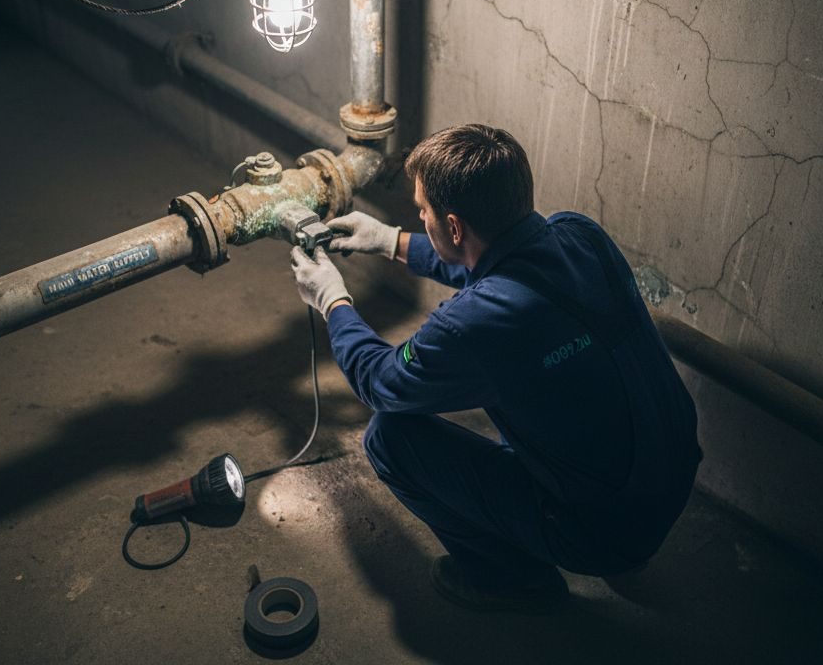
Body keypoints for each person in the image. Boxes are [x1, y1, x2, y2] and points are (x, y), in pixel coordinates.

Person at [289, 123, 701, 611]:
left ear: (456, 226)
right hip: (671, 477)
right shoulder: (581, 234)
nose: (419, 218)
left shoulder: (473, 327)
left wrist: (332, 298)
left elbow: (381, 382)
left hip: (603, 533)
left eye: (423, 212)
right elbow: (501, 261)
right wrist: (390, 241)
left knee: (389, 438)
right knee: (541, 391)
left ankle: (512, 578)